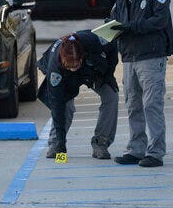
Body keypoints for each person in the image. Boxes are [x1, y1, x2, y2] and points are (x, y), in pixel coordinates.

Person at [109, 0, 173, 168]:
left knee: (152, 105)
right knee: (133, 105)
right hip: (129, 59)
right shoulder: (121, 0)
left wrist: (131, 27)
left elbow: (159, 20)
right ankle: (136, 149)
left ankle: (155, 153)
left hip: (151, 58)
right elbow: (114, 23)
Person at [38, 30, 119, 160]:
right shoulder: (55, 68)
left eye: (75, 65)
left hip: (91, 69)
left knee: (112, 96)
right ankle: (55, 144)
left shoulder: (93, 41)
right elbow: (56, 104)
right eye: (70, 66)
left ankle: (101, 143)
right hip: (66, 78)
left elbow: (113, 45)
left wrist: (109, 74)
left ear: (82, 57)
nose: (73, 68)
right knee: (66, 107)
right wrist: (61, 141)